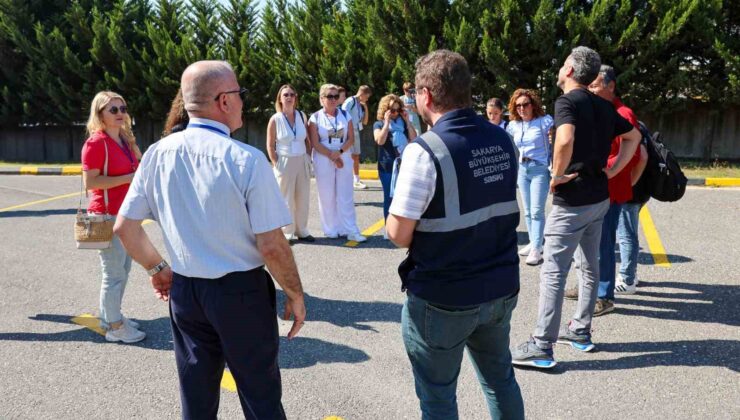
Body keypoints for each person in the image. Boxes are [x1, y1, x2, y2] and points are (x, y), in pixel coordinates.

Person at [113, 60, 306, 419]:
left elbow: (125, 227)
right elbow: (272, 245)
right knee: (260, 396)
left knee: (196, 399)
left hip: (186, 291)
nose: (244, 103)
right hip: (241, 293)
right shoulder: (246, 160)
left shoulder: (157, 153)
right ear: (223, 101)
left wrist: (157, 268)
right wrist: (295, 293)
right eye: (240, 94)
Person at [386, 50, 524, 419]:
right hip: (499, 286)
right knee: (500, 380)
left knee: (438, 398)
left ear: (426, 96)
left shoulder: (424, 151)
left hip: (443, 297)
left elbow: (398, 233)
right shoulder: (502, 139)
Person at [510, 46, 641, 369]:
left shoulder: (567, 102)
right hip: (599, 197)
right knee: (589, 266)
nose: (560, 68)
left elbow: (565, 139)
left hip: (574, 201)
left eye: (563, 63)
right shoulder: (602, 104)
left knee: (554, 271)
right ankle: (580, 331)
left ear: (569, 70)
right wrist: (612, 171)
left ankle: (542, 345)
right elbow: (634, 137)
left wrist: (556, 175)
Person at [81, 91, 144, 344]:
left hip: (124, 214)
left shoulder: (125, 140)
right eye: (113, 110)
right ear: (100, 115)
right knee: (113, 273)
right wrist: (128, 178)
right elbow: (91, 181)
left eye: (123, 108)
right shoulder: (96, 143)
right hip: (104, 216)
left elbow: (139, 166)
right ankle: (115, 327)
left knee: (123, 269)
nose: (120, 113)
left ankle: (111, 316)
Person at [307, 84, 366, 243]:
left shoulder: (345, 115)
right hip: (323, 157)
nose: (333, 99)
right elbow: (315, 142)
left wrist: (339, 153)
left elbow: (351, 139)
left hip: (343, 155)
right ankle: (331, 229)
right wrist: (332, 156)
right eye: (329, 96)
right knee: (326, 195)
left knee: (345, 194)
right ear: (321, 99)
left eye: (335, 96)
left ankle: (350, 229)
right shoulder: (315, 118)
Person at [506, 89, 554, 265]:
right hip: (522, 169)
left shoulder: (544, 122)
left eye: (525, 104)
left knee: (536, 211)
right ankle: (535, 242)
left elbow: (557, 137)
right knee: (527, 210)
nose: (522, 108)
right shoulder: (514, 125)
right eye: (518, 105)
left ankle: (537, 248)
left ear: (533, 105)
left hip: (539, 169)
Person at [267, 84, 315, 244]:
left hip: (301, 159)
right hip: (285, 161)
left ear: (296, 97)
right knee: (285, 198)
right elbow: (269, 144)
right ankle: (287, 233)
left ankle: (302, 230)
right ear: (280, 99)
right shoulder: (275, 119)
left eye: (292, 94)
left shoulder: (302, 116)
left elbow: (308, 140)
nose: (289, 97)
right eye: (285, 95)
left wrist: (308, 156)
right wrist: (275, 163)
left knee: (303, 197)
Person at [373, 94, 417, 224]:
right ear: (385, 110)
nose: (396, 113)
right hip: (387, 166)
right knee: (389, 197)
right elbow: (379, 141)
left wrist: (408, 121)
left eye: (398, 110)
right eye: (392, 110)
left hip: (404, 165)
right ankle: (389, 226)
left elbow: (414, 139)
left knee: (404, 198)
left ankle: (402, 227)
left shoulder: (403, 123)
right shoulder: (378, 124)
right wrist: (386, 123)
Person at [342, 85, 373, 190]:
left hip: (356, 131)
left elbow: (364, 122)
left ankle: (356, 180)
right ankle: (347, 179)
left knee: (356, 155)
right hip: (348, 131)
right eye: (367, 96)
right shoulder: (350, 101)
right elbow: (342, 114)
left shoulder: (360, 105)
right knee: (347, 156)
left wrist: (365, 107)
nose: (367, 99)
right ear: (362, 94)